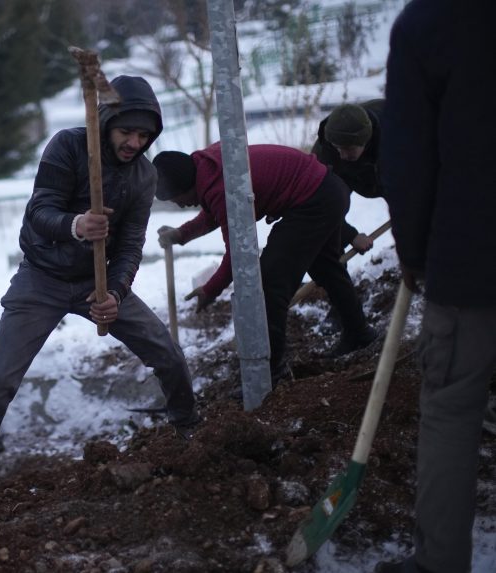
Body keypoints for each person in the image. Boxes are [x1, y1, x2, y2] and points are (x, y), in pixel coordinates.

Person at [0, 75, 198, 499]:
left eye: (144, 135)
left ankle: (189, 429)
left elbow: (131, 245)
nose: (134, 143)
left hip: (95, 280)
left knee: (168, 353)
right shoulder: (68, 146)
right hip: (41, 277)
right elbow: (38, 212)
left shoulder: (143, 176)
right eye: (126, 132)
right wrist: (77, 224)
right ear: (105, 122)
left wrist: (115, 294)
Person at [375, 1, 496, 571]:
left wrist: (417, 255)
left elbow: (408, 158)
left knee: (451, 406)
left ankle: (440, 563)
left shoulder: (433, 21)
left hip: (472, 256)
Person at [154, 144, 376, 384]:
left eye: (175, 198)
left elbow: (238, 253)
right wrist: (181, 234)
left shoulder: (222, 187)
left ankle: (270, 372)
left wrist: (211, 289)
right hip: (325, 189)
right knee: (327, 269)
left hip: (313, 200)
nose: (177, 204)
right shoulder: (206, 167)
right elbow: (214, 212)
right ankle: (359, 333)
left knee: (269, 285)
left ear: (185, 185)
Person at [312, 99, 384, 254]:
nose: (343, 155)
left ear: (365, 140)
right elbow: (322, 206)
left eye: (348, 148)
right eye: (338, 148)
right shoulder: (325, 154)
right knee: (327, 237)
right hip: (346, 177)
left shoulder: (395, 127)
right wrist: (350, 236)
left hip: (391, 170)